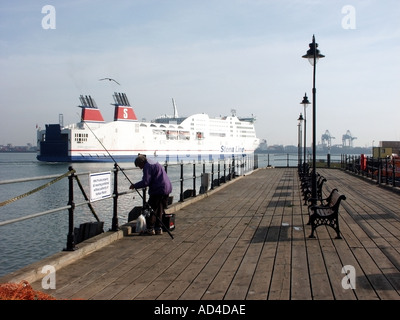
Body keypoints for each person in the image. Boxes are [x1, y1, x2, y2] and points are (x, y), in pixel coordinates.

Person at [130, 154, 172, 235]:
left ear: (142, 163)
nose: (140, 168)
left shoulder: (147, 166)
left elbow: (146, 182)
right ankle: (158, 229)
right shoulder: (153, 162)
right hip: (166, 187)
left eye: (139, 166)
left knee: (151, 209)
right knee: (160, 209)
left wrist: (135, 185)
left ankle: (150, 228)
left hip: (158, 189)